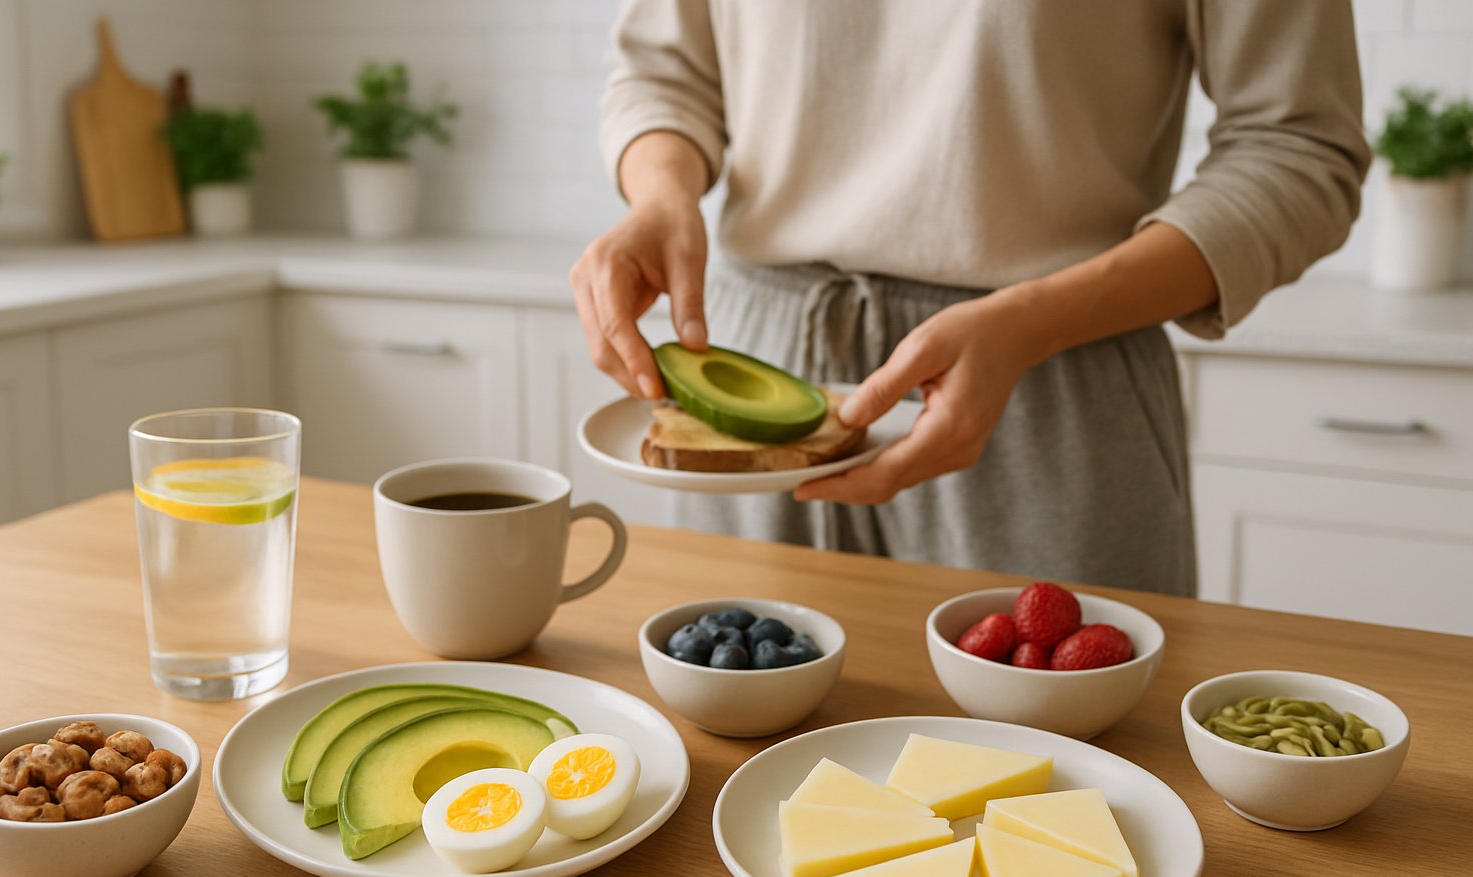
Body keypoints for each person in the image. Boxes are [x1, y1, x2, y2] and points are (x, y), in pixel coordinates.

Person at [569, 1, 1369, 596]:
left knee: (1061, 795)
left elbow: (1299, 146)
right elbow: (665, 72)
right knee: (746, 760)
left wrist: (1034, 320)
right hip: (759, 365)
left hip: (1047, 377)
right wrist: (661, 194)